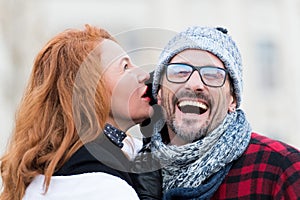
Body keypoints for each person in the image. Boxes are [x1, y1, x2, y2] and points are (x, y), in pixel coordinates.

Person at [142, 26, 300, 199]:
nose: (194, 84)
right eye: (180, 71)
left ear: (232, 99)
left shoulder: (281, 168)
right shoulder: (134, 173)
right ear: (159, 92)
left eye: (212, 74)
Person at [0, 24, 153, 200]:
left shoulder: (54, 169)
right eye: (125, 67)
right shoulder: (99, 187)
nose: (144, 75)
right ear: (89, 89)